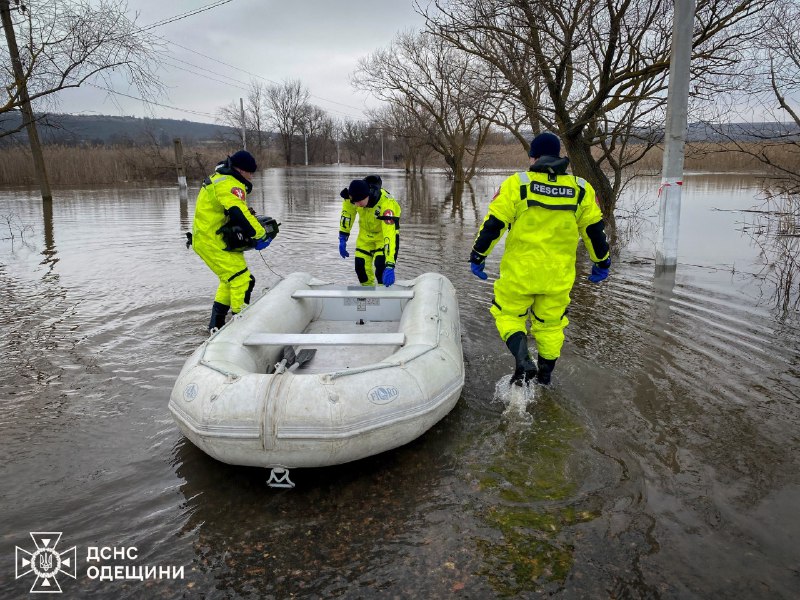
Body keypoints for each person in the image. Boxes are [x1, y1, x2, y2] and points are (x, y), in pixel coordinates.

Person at [469, 132, 611, 386]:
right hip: (558, 276)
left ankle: (523, 362)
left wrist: (478, 256)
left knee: (508, 315)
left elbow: (493, 225)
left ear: (533, 157)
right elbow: (594, 231)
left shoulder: (518, 184)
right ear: (558, 156)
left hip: (520, 273)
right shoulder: (581, 189)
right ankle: (545, 379)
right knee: (551, 326)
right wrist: (602, 261)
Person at [191, 150, 272, 332]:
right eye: (250, 173)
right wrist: (260, 234)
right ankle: (240, 326)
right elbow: (237, 210)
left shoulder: (221, 178)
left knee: (230, 279)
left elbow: (231, 211)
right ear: (242, 170)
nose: (251, 177)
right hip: (213, 240)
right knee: (242, 279)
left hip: (210, 238)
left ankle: (216, 326)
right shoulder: (229, 183)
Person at [338, 175, 402, 287]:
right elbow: (347, 214)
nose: (357, 205)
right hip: (365, 236)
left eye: (359, 202)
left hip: (383, 236)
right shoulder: (353, 198)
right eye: (355, 202)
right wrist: (343, 236)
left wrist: (390, 264)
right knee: (360, 267)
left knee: (381, 266)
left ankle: (385, 294)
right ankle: (368, 294)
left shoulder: (386, 204)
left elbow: (389, 233)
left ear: (367, 195)